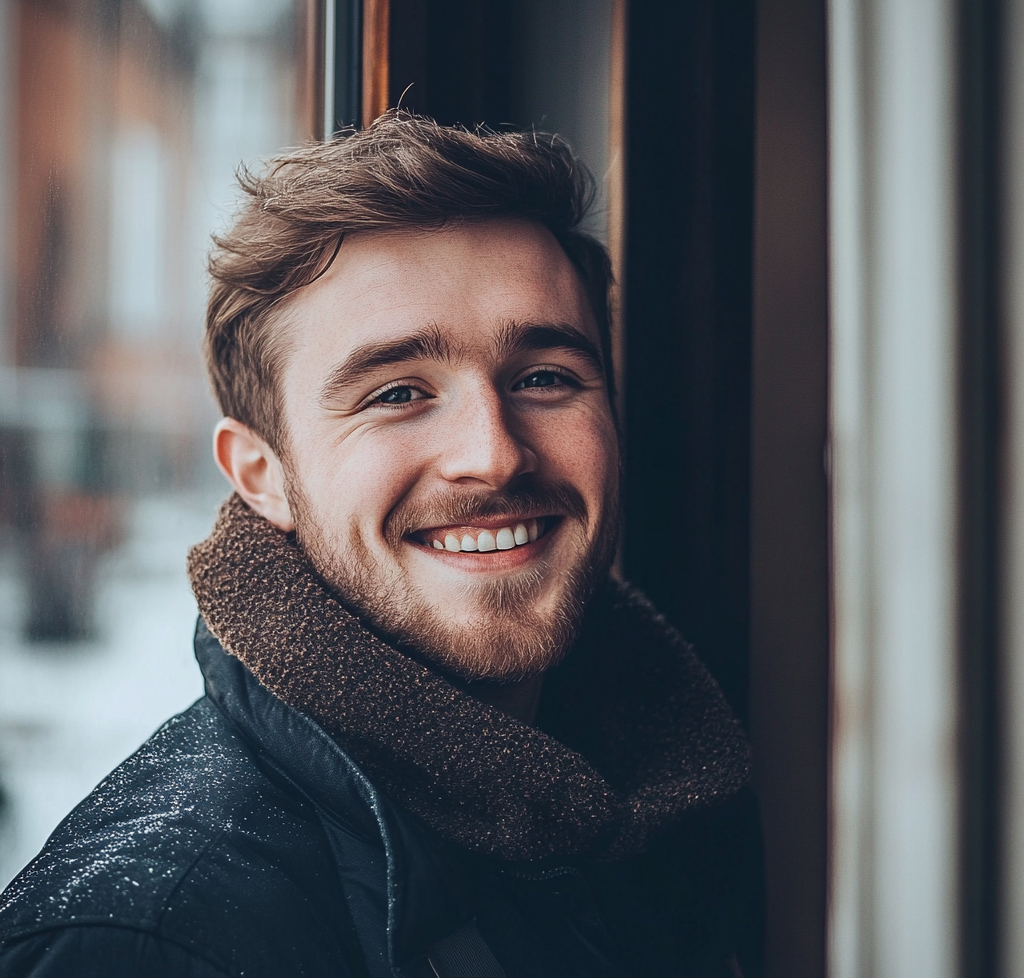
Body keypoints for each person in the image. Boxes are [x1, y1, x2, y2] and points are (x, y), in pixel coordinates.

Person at [0, 111, 762, 977]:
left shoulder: (673, 812)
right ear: (261, 474)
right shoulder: (149, 939)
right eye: (397, 392)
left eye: (545, 378)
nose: (493, 454)